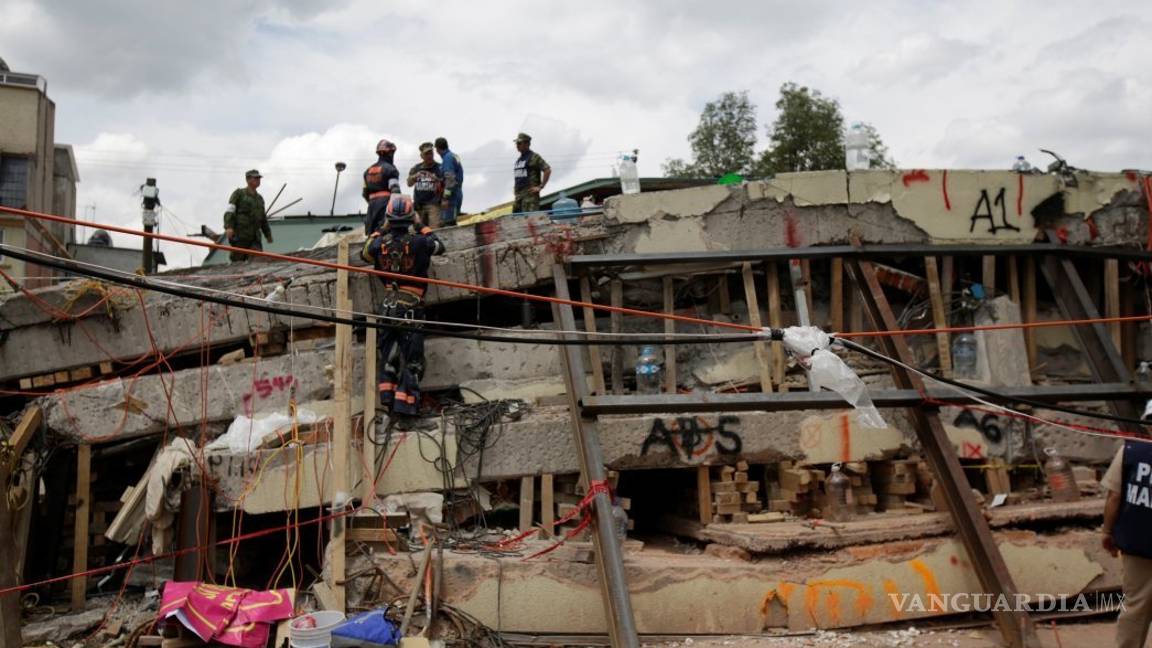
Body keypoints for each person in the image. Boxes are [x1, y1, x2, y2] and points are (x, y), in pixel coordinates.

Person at [361, 191, 446, 417]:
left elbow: (365, 251)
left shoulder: (379, 245)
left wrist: (382, 229)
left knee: (389, 359)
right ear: (411, 217)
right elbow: (439, 245)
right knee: (412, 361)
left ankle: (389, 405)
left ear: (388, 218)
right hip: (411, 307)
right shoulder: (419, 241)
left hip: (388, 307)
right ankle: (407, 412)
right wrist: (421, 225)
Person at [1102, 440, 1152, 648]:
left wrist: (1107, 531)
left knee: (1135, 606)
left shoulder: (1130, 450)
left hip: (1138, 542)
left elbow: (1114, 496)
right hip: (1138, 543)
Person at [223, 169, 272, 262]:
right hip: (241, 235)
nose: (258, 180)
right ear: (248, 179)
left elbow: (263, 219)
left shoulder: (259, 199)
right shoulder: (239, 194)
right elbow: (230, 210)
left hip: (255, 238)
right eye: (256, 178)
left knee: (257, 261)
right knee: (237, 262)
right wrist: (229, 227)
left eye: (259, 178)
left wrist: (268, 234)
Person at [363, 139, 400, 234]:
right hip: (385, 205)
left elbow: (364, 193)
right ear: (390, 153)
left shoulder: (367, 171)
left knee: (372, 235)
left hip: (371, 206)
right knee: (385, 233)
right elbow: (395, 191)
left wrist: (373, 202)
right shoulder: (391, 169)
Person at [407, 142, 445, 228]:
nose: (429, 156)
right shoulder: (416, 168)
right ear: (421, 156)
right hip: (419, 205)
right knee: (418, 230)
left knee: (434, 230)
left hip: (434, 204)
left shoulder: (440, 167)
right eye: (426, 154)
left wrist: (437, 179)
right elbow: (409, 183)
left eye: (431, 153)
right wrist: (414, 177)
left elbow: (447, 184)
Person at [512, 132, 551, 214]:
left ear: (527, 144)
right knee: (516, 220)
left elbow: (547, 170)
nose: (517, 145)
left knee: (530, 221)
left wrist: (541, 186)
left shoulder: (534, 157)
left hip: (530, 197)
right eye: (516, 143)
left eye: (519, 143)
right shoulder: (519, 159)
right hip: (519, 197)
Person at [435, 137, 463, 226]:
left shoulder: (447, 159)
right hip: (457, 192)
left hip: (451, 196)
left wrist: (446, 197)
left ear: (437, 149)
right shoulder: (453, 156)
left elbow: (450, 180)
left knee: (448, 225)